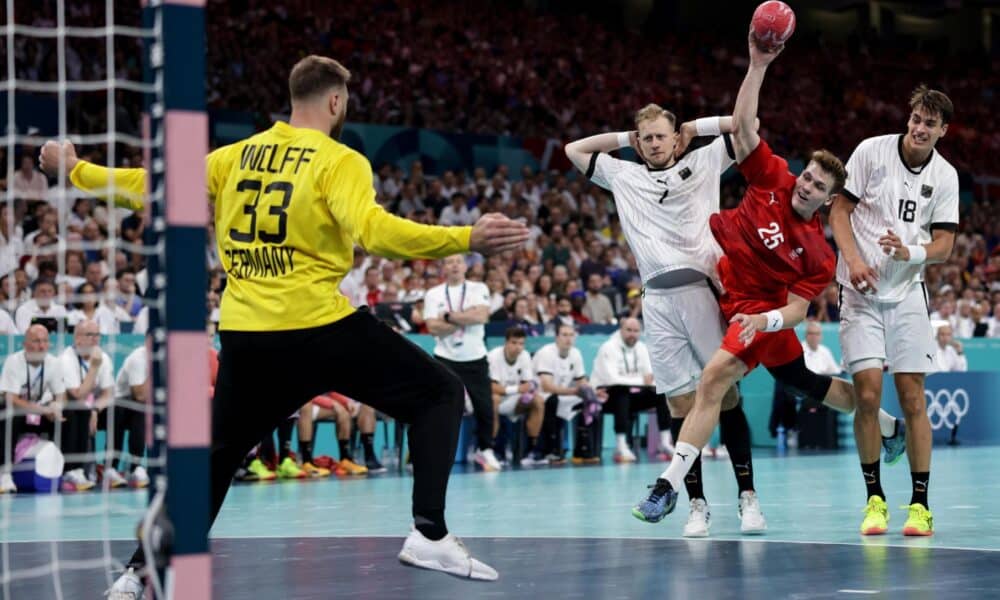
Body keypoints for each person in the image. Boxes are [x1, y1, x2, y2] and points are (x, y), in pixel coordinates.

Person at [42, 55, 527, 594]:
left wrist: (76, 169)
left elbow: (147, 184)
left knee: (215, 461)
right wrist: (465, 238)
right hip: (319, 330)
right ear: (337, 101)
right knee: (440, 394)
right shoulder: (339, 161)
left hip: (247, 338)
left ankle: (136, 577)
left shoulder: (234, 157)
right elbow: (377, 233)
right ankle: (429, 532)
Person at [632, 33, 904, 529]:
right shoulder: (773, 176)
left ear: (827, 200)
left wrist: (764, 320)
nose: (807, 185)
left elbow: (799, 311)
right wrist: (757, 65)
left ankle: (668, 484)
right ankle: (889, 425)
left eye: (820, 186)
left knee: (713, 381)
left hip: (760, 314)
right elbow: (744, 128)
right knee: (803, 382)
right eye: (808, 177)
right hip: (728, 291)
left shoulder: (820, 254)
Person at [565, 100, 765, 535]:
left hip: (703, 293)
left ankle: (748, 496)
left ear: (675, 138)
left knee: (725, 397)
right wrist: (624, 140)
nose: (655, 143)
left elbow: (748, 123)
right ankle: (695, 504)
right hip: (656, 300)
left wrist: (693, 127)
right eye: (647, 137)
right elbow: (573, 150)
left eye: (662, 135)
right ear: (639, 143)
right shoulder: (624, 174)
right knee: (679, 403)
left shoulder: (705, 158)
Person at [830, 84, 958, 537]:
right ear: (909, 119)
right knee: (866, 397)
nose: (920, 128)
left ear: (943, 130)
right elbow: (839, 212)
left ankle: (920, 505)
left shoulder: (945, 177)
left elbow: (944, 244)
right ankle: (874, 501)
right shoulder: (870, 152)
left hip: (907, 295)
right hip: (860, 293)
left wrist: (911, 254)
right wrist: (856, 260)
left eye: (930, 124)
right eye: (916, 119)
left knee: (912, 398)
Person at [423, 254, 501, 471]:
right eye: (449, 262)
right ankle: (432, 451)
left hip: (475, 357)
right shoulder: (433, 294)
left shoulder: (479, 288)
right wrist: (466, 316)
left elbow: (483, 316)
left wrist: (448, 317)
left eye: (458, 261)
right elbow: (432, 328)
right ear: (443, 268)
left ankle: (484, 450)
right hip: (445, 358)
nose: (454, 265)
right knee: (440, 408)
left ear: (465, 266)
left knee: (485, 408)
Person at [0, 324, 75, 492]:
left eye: (45, 341)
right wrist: (42, 410)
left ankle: (69, 471)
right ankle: (4, 473)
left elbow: (61, 395)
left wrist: (56, 407)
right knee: (9, 411)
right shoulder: (14, 362)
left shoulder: (54, 363)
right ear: (25, 344)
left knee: (69, 412)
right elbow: (10, 398)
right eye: (36, 341)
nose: (41, 346)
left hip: (38, 414)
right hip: (17, 414)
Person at [589, 318, 670, 464]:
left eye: (636, 331)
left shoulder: (642, 348)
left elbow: (651, 378)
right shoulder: (608, 347)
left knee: (661, 392)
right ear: (621, 330)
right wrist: (641, 380)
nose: (632, 334)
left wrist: (642, 381)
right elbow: (614, 380)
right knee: (622, 392)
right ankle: (621, 445)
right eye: (628, 330)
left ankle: (665, 442)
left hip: (632, 395)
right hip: (606, 396)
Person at [58, 319, 116, 486]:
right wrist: (94, 367)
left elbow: (108, 393)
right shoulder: (66, 359)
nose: (95, 339)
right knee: (79, 410)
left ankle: (110, 469)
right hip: (67, 410)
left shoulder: (102, 357)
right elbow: (78, 395)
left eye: (98, 334)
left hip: (91, 410)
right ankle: (72, 470)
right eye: (90, 335)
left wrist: (96, 410)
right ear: (77, 339)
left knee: (117, 410)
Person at [487, 326, 547, 466]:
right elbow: (493, 387)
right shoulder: (493, 356)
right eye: (514, 343)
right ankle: (494, 450)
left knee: (538, 401)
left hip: (513, 401)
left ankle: (532, 451)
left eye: (521, 343)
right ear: (506, 343)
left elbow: (527, 385)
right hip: (495, 400)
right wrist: (517, 389)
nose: (518, 347)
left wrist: (529, 390)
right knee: (494, 398)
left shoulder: (525, 356)